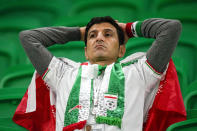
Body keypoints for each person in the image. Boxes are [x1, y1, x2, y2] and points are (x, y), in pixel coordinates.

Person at [19, 16, 182, 131]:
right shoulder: (63, 74)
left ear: (121, 50)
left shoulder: (139, 72)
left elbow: (170, 28)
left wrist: (129, 29)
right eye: (92, 36)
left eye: (108, 34)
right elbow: (28, 38)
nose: (99, 38)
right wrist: (79, 32)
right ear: (85, 52)